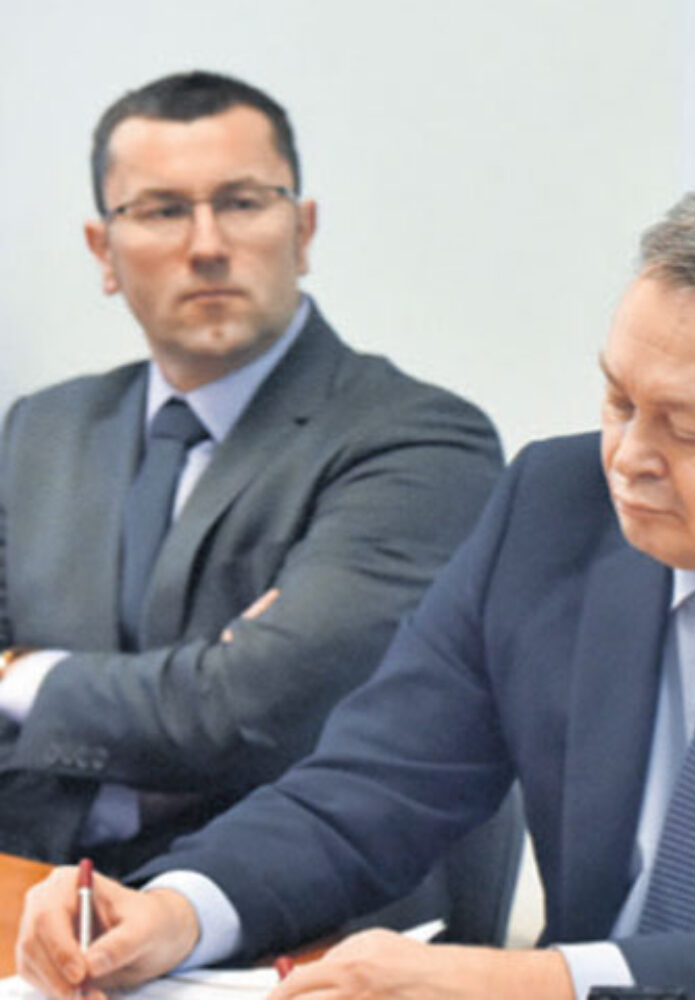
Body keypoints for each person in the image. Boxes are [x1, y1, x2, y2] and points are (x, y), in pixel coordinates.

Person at [15, 175, 695, 1000]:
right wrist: (177, 910)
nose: (628, 457)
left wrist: (538, 981)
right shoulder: (555, 504)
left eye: (687, 429)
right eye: (619, 400)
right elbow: (374, 785)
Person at [0, 71, 502, 875]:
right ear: (103, 251)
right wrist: (180, 703)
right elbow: (216, 711)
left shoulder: (420, 442)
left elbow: (248, 711)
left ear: (303, 232)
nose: (206, 245)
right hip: (39, 892)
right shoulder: (43, 430)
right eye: (163, 210)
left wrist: (21, 673)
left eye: (241, 202)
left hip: (304, 917)